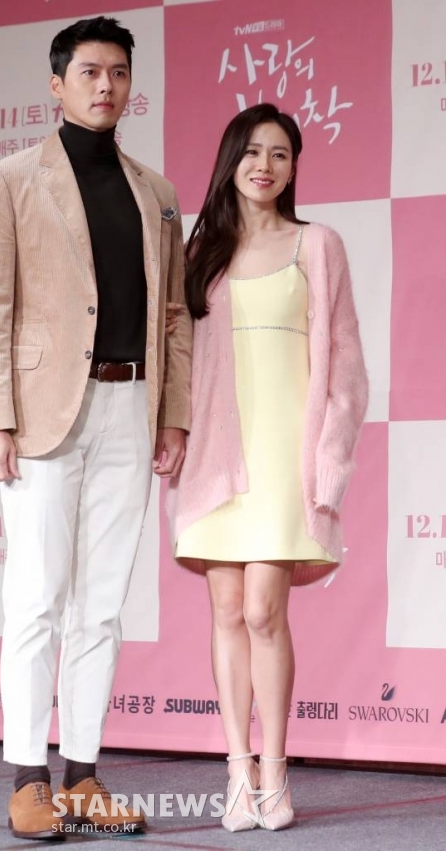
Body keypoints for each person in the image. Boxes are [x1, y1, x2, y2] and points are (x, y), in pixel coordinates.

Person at [0, 16, 191, 840]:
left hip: (131, 405)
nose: (106, 85)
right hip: (41, 416)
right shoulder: (9, 181)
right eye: (90, 71)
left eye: (119, 72)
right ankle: (29, 776)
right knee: (35, 596)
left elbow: (173, 316)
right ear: (56, 84)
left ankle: (84, 773)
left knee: (102, 605)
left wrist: (173, 413)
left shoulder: (157, 192)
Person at [169, 103, 368, 832]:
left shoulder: (319, 244)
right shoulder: (199, 253)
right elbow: (177, 357)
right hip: (215, 453)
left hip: (287, 452)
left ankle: (277, 771)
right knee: (226, 610)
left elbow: (345, 365)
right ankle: (237, 772)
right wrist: (171, 431)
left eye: (280, 154)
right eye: (252, 151)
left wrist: (329, 459)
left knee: (262, 610)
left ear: (293, 168)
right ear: (231, 161)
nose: (265, 165)